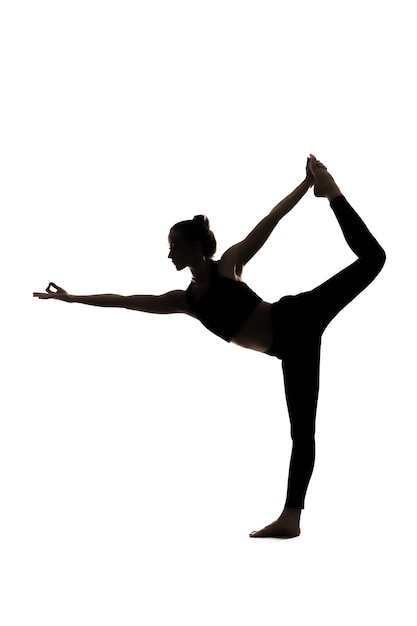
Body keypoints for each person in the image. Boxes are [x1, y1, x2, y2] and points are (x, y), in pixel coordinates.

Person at [33, 155, 386, 539]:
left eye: (174, 245)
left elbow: (270, 220)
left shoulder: (228, 265)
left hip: (296, 317)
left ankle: (331, 192)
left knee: (374, 258)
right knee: (302, 434)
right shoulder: (186, 301)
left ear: (194, 246)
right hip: (291, 350)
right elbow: (125, 299)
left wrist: (306, 185)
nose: (169, 253)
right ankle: (291, 520)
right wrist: (72, 299)